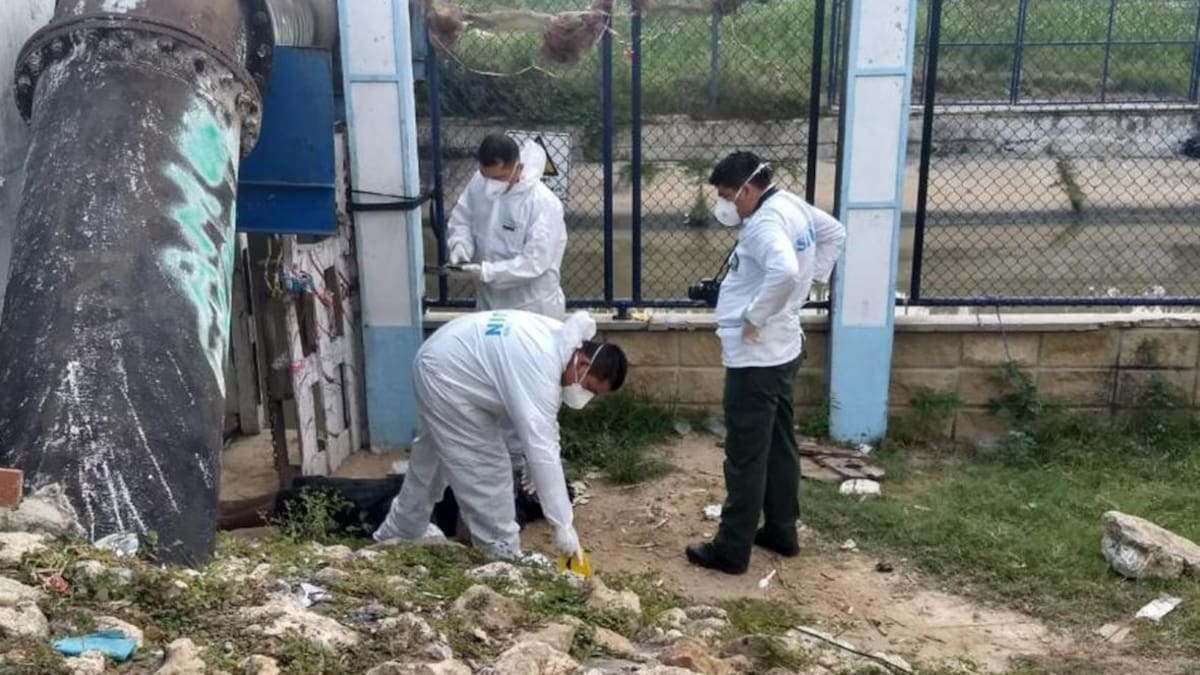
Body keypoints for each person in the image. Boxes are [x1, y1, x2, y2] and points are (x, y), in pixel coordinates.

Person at [686, 152, 846, 575]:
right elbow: (835, 233)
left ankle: (731, 549)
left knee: (745, 455)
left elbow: (785, 271)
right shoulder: (790, 204)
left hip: (756, 358)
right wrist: (809, 287)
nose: (725, 205)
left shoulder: (765, 224)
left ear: (746, 189)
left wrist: (755, 316)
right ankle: (781, 530)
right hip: (784, 349)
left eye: (727, 195)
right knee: (779, 444)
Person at [373, 310, 628, 560]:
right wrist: (563, 525)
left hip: (444, 354)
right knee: (487, 468)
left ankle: (403, 529)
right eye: (589, 388)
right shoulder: (542, 365)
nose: (585, 396)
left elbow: (541, 427)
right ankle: (501, 552)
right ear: (583, 363)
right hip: (448, 373)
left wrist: (533, 463)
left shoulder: (559, 342)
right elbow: (543, 448)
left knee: (431, 460)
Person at [446, 133, 567, 318]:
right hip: (488, 304)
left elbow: (535, 262)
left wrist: (487, 272)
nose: (492, 184)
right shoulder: (478, 183)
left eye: (501, 177)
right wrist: (460, 246)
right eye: (487, 176)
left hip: (532, 308)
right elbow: (462, 220)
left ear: (518, 168)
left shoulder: (543, 203)